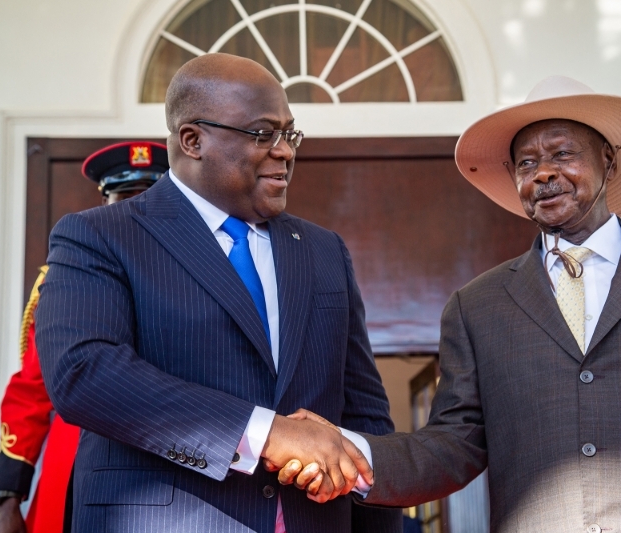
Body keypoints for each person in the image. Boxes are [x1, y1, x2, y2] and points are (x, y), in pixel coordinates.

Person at [282, 77, 621, 532]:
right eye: (527, 163)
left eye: (563, 154)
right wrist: (347, 450)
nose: (544, 174)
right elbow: (451, 446)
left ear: (608, 162)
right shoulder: (476, 306)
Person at [35, 53, 400, 533]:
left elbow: (365, 413)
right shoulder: (100, 235)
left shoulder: (323, 250)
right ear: (193, 140)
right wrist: (268, 433)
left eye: (288, 134)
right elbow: (84, 374)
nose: (286, 152)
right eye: (263, 134)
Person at [0, 142, 166, 533]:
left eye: (147, 198)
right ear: (104, 203)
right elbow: (32, 391)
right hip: (72, 463)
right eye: (123, 197)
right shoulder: (63, 277)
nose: (134, 210)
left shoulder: (205, 274)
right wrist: (7, 497)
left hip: (176, 462)